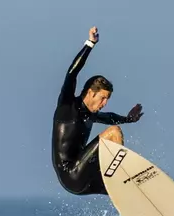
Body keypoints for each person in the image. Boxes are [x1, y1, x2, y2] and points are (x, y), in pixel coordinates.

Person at [51, 26, 144, 196]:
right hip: (71, 174)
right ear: (91, 92)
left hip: (85, 178)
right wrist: (90, 44)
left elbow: (108, 117)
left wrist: (129, 119)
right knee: (113, 132)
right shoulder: (67, 107)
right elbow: (72, 73)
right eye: (103, 98)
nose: (105, 103)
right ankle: (121, 176)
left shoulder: (89, 114)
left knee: (131, 192)